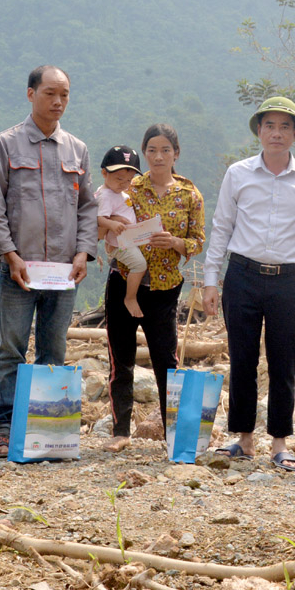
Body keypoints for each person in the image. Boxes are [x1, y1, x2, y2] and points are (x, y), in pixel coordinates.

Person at [201, 96, 295, 472]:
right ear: (259, 131)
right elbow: (221, 227)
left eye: (285, 126)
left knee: (283, 360)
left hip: (289, 281)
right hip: (242, 275)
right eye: (269, 125)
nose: (276, 133)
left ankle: (279, 442)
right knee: (241, 357)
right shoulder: (238, 174)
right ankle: (243, 438)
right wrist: (211, 280)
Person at [0, 65, 98, 458]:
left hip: (63, 272)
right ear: (30, 94)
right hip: (19, 268)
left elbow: (87, 208)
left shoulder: (77, 149)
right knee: (10, 348)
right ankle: (1, 427)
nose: (58, 102)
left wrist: (83, 252)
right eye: (50, 93)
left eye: (64, 94)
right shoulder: (5, 145)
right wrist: (8, 253)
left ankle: (47, 432)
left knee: (54, 350)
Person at [103, 125, 205, 452]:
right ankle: (121, 432)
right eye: (151, 150)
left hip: (164, 288)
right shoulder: (130, 186)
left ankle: (174, 435)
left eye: (165, 150)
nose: (158, 156)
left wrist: (175, 242)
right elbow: (104, 214)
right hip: (123, 280)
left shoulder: (190, 194)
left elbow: (198, 241)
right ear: (144, 153)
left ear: (176, 153)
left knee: (166, 360)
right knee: (121, 359)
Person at [96, 145, 147, 320]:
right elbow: (98, 219)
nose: (124, 184)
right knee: (139, 265)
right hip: (120, 243)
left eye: (129, 180)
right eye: (119, 179)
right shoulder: (105, 196)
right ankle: (130, 297)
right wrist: (111, 223)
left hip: (127, 239)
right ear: (104, 173)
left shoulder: (119, 193)